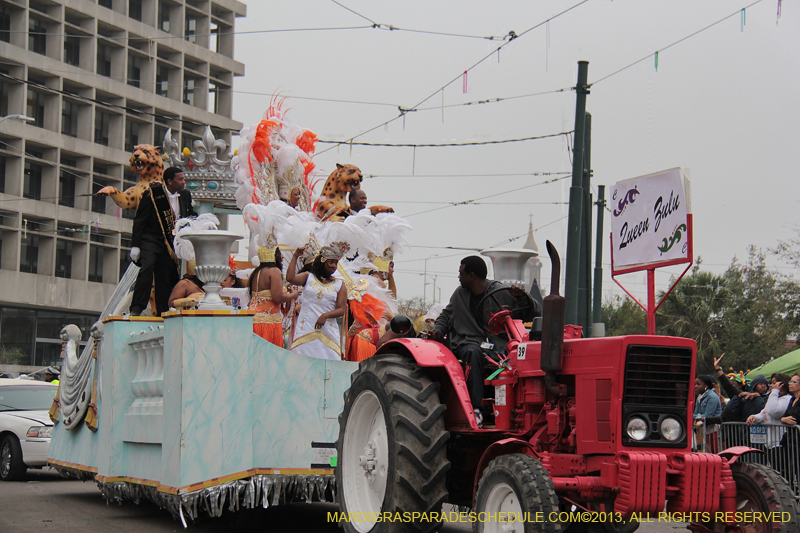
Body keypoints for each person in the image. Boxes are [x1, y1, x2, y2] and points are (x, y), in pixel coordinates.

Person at [426, 256, 539, 426]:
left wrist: (521, 297)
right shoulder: (459, 295)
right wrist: (436, 332)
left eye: (461, 273)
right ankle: (475, 409)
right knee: (473, 352)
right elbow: (446, 316)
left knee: (518, 355)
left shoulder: (501, 292)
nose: (459, 277)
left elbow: (531, 311)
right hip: (469, 343)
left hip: (497, 346)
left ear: (472, 276)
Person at [129, 167, 196, 316]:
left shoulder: (185, 195)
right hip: (151, 239)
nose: (183, 182)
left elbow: (190, 215)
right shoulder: (152, 195)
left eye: (183, 178)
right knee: (147, 267)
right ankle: (136, 308)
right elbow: (139, 221)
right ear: (169, 181)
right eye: (180, 179)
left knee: (166, 276)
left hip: (171, 242)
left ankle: (163, 312)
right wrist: (135, 246)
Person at [287, 244, 347, 360]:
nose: (334, 266)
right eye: (331, 262)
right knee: (302, 360)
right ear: (322, 261)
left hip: (328, 329)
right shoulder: (308, 277)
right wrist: (295, 256)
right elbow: (290, 278)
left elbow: (341, 310)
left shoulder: (340, 285)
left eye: (336, 263)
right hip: (306, 327)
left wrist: (326, 315)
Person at [248, 246, 299, 346]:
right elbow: (278, 298)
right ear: (274, 256)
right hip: (267, 323)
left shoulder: (257, 272)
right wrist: (293, 295)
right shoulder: (274, 271)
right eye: (280, 254)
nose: (282, 257)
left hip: (253, 320)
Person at [747, 372, 791, 450]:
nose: (770, 385)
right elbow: (764, 412)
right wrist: (754, 417)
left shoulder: (787, 399)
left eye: (774, 383)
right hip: (770, 443)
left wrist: (775, 391)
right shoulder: (773, 398)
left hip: (780, 443)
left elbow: (774, 411)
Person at [694, 374, 722, 452]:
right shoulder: (699, 396)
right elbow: (696, 413)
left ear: (706, 385)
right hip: (704, 429)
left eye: (698, 384)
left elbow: (708, 415)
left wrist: (694, 416)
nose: (696, 386)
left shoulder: (712, 397)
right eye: (695, 384)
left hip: (714, 429)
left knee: (715, 451)